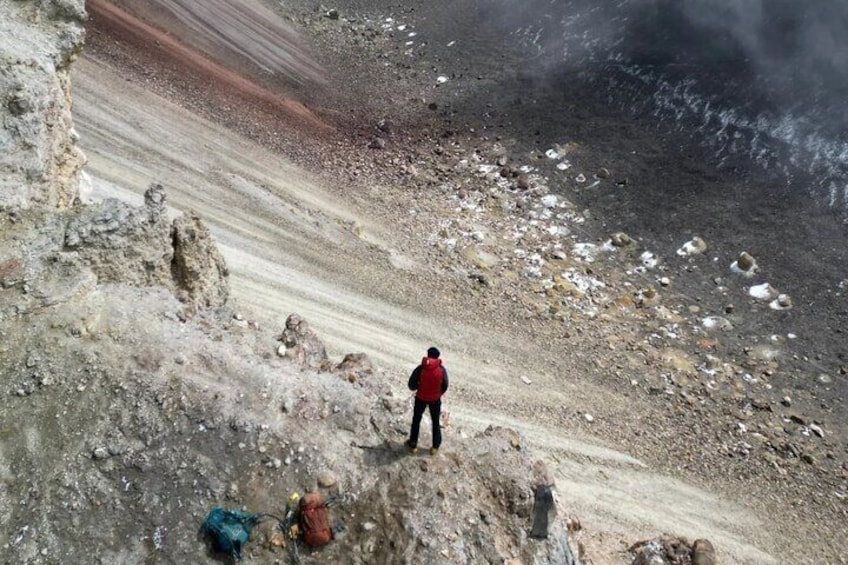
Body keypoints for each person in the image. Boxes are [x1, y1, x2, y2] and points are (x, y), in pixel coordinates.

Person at [405, 347, 449, 455]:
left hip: (420, 398)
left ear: (428, 354)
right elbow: (445, 385)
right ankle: (435, 446)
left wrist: (418, 387)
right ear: (438, 356)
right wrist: (438, 393)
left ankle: (413, 445)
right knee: (435, 421)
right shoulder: (442, 370)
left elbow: (411, 385)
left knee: (416, 420)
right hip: (435, 400)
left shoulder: (420, 368)